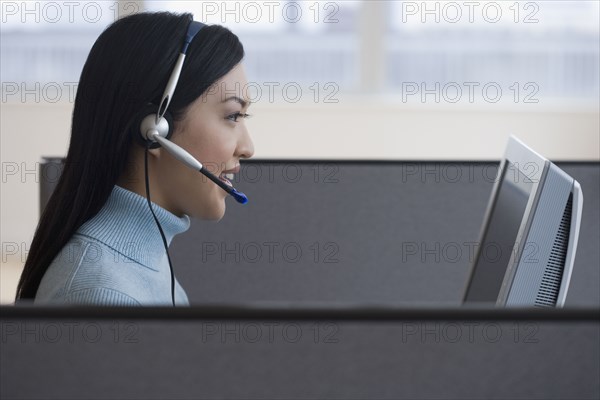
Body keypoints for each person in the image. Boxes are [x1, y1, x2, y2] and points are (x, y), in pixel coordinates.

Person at [15, 11, 254, 306]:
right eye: (232, 115)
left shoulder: (144, 263)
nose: (248, 147)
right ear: (154, 130)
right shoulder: (102, 294)